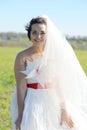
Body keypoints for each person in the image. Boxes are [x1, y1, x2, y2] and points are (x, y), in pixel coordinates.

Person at [10, 15, 87, 130]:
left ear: (47, 35)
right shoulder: (22, 57)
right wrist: (21, 115)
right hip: (33, 100)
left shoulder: (52, 56)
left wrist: (64, 109)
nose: (38, 36)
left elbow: (57, 84)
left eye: (42, 33)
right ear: (29, 34)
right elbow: (21, 87)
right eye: (34, 32)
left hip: (53, 100)